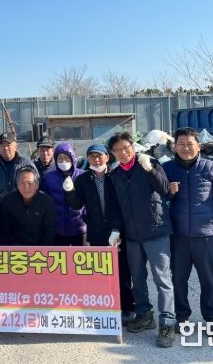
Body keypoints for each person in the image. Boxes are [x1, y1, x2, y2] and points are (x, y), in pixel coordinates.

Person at [107, 132, 175, 348]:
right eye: (118, 150)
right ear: (113, 154)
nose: (123, 153)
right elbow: (115, 207)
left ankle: (167, 322)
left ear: (133, 146)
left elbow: (165, 189)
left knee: (162, 279)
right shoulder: (115, 174)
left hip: (156, 231)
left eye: (126, 147)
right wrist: (116, 230)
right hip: (132, 236)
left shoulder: (149, 163)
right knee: (137, 278)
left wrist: (150, 170)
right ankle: (145, 314)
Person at [162, 127, 213, 331]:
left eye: (190, 144)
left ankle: (212, 318)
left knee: (209, 280)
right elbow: (158, 197)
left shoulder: (212, 168)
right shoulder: (167, 169)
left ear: (198, 146)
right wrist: (169, 193)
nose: (185, 148)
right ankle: (182, 317)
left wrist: (212, 218)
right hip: (178, 236)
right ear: (174, 147)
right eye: (181, 144)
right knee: (178, 279)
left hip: (205, 236)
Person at [66, 144, 135, 325]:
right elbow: (77, 205)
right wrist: (69, 192)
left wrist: (117, 229)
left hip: (119, 232)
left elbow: (121, 205)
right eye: (92, 156)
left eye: (99, 156)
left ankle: (127, 307)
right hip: (96, 232)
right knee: (102, 273)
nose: (96, 160)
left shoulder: (116, 176)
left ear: (107, 157)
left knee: (122, 271)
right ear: (88, 159)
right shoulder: (83, 179)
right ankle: (106, 308)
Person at [41, 142, 86, 245]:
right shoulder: (49, 177)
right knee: (60, 255)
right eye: (60, 158)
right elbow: (45, 201)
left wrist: (85, 217)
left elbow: (88, 200)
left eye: (66, 158)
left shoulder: (82, 176)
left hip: (80, 228)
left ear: (72, 159)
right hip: (58, 229)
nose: (63, 161)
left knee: (81, 255)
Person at [0, 166, 55, 245]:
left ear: (37, 185)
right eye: (22, 183)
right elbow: (4, 231)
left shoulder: (47, 202)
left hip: (40, 247)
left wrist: (42, 250)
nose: (26, 187)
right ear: (17, 185)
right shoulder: (7, 202)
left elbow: (50, 231)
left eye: (30, 183)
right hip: (16, 248)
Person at [0, 132, 36, 201]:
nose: (5, 148)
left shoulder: (27, 164)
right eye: (2, 145)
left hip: (22, 205)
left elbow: (35, 187)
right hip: (0, 206)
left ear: (15, 146)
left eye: (8, 145)